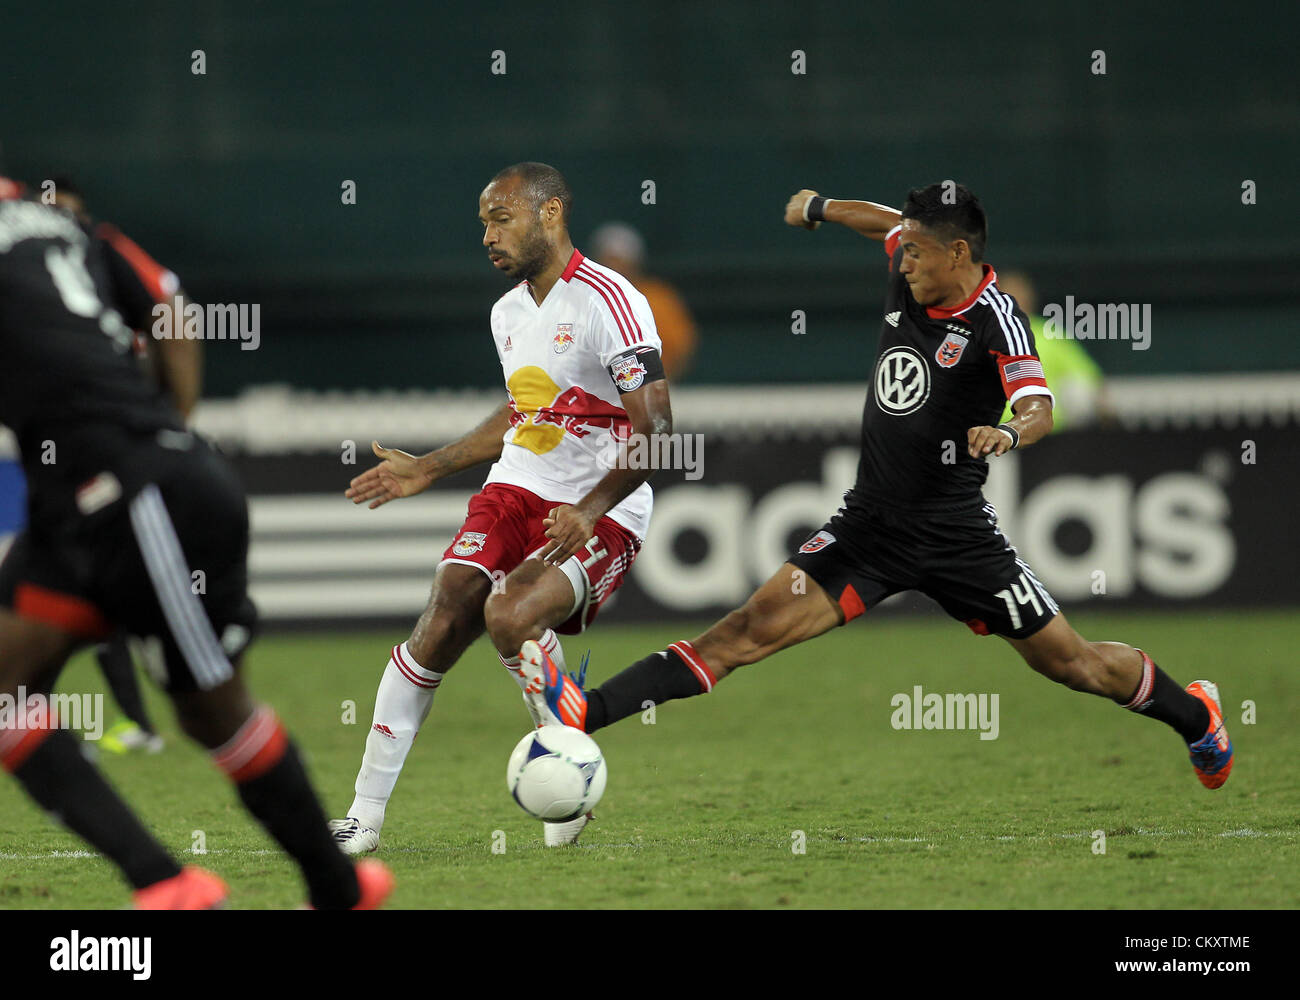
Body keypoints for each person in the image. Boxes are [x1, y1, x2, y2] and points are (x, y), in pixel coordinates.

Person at [519, 183, 1233, 798]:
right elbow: (882, 220)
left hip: (957, 537)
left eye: (919, 252)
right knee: (742, 633)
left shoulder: (997, 320)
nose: (905, 260)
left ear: (960, 254)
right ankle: (584, 712)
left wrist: (1011, 433)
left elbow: (1038, 405)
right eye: (906, 250)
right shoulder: (912, 264)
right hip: (868, 529)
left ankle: (1197, 716)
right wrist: (823, 208)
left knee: (1073, 664)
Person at [0, 176, 393, 908]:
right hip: (97, 493)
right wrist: (169, 424)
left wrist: (150, 445)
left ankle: (334, 888)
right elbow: (171, 312)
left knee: (211, 710)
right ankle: (170, 884)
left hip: (137, 491)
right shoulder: (64, 225)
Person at [329, 163, 672, 854]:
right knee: (447, 607)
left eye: (502, 217)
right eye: (483, 221)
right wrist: (428, 465)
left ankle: (564, 772)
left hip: (601, 504)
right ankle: (362, 820)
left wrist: (589, 507)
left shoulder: (612, 299)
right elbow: (525, 410)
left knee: (509, 612)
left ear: (550, 214)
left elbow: (659, 432)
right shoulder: (508, 311)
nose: (488, 234)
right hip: (517, 485)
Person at [51, 176, 202, 754]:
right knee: (74, 587)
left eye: (67, 213)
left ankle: (157, 722)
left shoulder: (104, 252)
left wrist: (175, 424)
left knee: (95, 585)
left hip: (120, 454)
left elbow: (174, 311)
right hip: (76, 454)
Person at [994, 270, 1114, 430]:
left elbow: (1087, 378)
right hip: (999, 434)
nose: (1017, 300)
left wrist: (1108, 419)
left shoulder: (1050, 334)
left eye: (1021, 294)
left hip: (1047, 434)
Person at [590, 222, 697, 379]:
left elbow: (681, 347)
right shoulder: (582, 298)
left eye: (619, 261)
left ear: (634, 263)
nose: (613, 267)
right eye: (607, 260)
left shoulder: (658, 298)